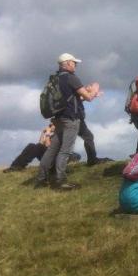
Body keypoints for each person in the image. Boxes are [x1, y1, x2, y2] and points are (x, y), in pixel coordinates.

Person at [35, 53, 100, 190]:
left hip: (58, 118)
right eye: (74, 62)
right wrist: (94, 90)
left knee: (52, 149)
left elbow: (70, 99)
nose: (75, 65)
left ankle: (41, 179)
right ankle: (60, 181)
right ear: (68, 63)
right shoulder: (71, 78)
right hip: (70, 118)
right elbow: (88, 97)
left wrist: (87, 94)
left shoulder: (55, 78)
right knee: (65, 150)